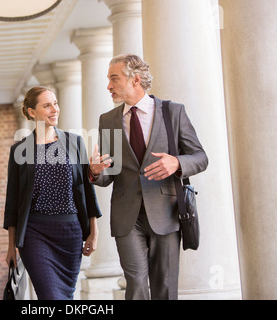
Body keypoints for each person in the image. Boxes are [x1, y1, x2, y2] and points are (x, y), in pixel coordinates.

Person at [89, 54, 208, 300]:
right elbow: (109, 173)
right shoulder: (108, 120)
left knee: (165, 286)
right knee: (135, 285)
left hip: (166, 212)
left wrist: (176, 162)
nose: (108, 86)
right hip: (127, 217)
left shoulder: (172, 112)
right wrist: (94, 171)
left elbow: (200, 157)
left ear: (136, 79)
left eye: (114, 78)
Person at [4, 86, 101, 300]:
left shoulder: (74, 142)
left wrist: (94, 231)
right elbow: (13, 201)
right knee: (50, 296)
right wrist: (11, 246)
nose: (54, 109)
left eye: (55, 103)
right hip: (35, 233)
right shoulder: (20, 150)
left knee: (65, 297)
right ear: (31, 112)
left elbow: (86, 189)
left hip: (70, 232)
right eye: (46, 105)